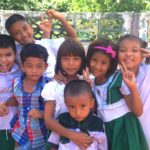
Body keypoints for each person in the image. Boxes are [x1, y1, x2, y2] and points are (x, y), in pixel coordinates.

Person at [84, 38, 148, 150]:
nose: (98, 66)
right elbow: (92, 111)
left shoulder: (118, 79)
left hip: (124, 130)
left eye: (104, 63)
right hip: (107, 131)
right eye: (94, 60)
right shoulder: (91, 83)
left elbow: (138, 111)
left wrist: (132, 87)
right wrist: (87, 88)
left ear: (110, 65)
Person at [41, 38, 93, 149]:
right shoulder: (53, 86)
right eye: (66, 58)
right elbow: (48, 120)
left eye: (76, 59)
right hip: (59, 141)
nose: (70, 63)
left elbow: (93, 111)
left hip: (85, 140)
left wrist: (88, 87)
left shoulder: (88, 82)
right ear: (59, 60)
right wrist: (72, 135)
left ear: (82, 61)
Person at [5, 9, 77, 78]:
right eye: (17, 33)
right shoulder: (15, 51)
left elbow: (72, 38)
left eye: (25, 28)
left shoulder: (47, 43)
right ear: (13, 37)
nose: (23, 34)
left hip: (53, 86)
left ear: (31, 28)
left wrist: (61, 18)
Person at [10, 44, 50, 150]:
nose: (34, 70)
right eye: (29, 66)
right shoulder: (16, 83)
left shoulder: (49, 85)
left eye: (39, 66)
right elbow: (15, 100)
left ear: (46, 66)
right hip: (20, 136)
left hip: (42, 136)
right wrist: (4, 104)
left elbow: (54, 110)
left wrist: (41, 114)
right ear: (22, 66)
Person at [48, 80, 108, 150]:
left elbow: (102, 145)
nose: (78, 112)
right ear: (66, 104)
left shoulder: (97, 123)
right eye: (72, 107)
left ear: (91, 103)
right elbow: (54, 144)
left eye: (83, 106)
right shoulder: (61, 120)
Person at [117, 34, 150, 149]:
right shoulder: (117, 79)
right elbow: (137, 112)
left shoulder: (148, 71)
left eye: (135, 50)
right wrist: (132, 87)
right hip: (135, 136)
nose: (128, 54)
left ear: (143, 55)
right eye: (122, 50)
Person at [0, 34, 21, 150]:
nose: (3, 60)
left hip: (18, 126)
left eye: (8, 55)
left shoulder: (20, 72)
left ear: (15, 54)